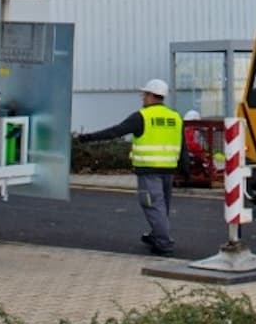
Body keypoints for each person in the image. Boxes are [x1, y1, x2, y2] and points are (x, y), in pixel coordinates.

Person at [78, 78, 182, 256]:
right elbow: (183, 144)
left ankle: (163, 243)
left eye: (144, 95)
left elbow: (115, 131)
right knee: (162, 207)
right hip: (168, 169)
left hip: (149, 169)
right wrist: (184, 169)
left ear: (150, 96)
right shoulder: (175, 117)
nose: (142, 98)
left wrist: (86, 138)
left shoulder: (142, 116)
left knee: (153, 206)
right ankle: (156, 235)